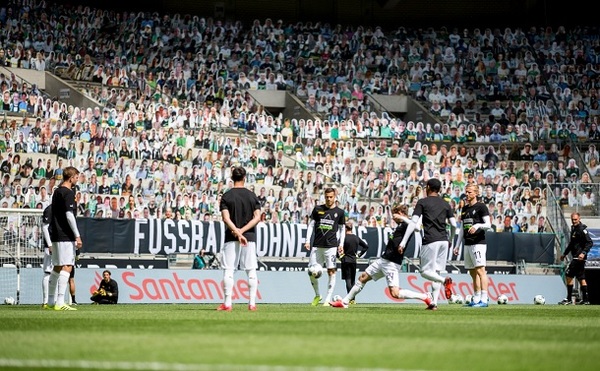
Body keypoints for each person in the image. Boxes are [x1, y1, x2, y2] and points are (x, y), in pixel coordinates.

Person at [331, 205, 434, 309]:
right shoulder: (400, 225)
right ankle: (345, 302)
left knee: (395, 293)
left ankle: (425, 296)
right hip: (384, 259)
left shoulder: (408, 224)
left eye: (395, 214)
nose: (393, 217)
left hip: (392, 262)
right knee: (363, 277)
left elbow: (416, 227)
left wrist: (402, 218)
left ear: (401, 213)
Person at [218, 166, 262, 311]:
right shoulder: (252, 196)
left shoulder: (227, 196)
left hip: (231, 236)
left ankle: (227, 303)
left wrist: (237, 232)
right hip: (249, 236)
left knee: (229, 269)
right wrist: (243, 232)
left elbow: (225, 218)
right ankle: (252, 304)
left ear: (232, 178)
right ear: (245, 178)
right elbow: (257, 218)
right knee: (251, 270)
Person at [411, 178, 457, 310]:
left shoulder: (423, 202)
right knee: (435, 272)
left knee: (424, 271)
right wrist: (451, 239)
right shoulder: (445, 204)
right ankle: (434, 303)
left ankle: (445, 281)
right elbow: (454, 224)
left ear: (428, 187)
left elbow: (414, 221)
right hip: (444, 240)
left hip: (431, 240)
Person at [47, 166, 82, 311]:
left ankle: (50, 301)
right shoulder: (68, 192)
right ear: (71, 177)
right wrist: (77, 235)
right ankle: (60, 301)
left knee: (57, 267)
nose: (77, 179)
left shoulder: (56, 192)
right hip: (65, 235)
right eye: (76, 177)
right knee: (68, 265)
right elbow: (69, 215)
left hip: (55, 234)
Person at [305, 187, 346, 306]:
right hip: (317, 246)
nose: (328, 199)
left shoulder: (340, 212)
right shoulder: (318, 209)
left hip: (331, 247)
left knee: (331, 272)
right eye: (327, 197)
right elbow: (311, 225)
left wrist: (341, 244)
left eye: (331, 197)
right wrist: (307, 240)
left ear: (335, 197)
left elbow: (342, 229)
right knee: (311, 272)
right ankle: (318, 295)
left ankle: (328, 299)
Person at [455, 184, 492, 307]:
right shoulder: (464, 209)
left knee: (481, 271)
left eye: (470, 192)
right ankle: (476, 299)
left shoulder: (481, 207)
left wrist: (477, 226)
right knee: (472, 272)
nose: (467, 194)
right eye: (466, 192)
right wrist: (457, 245)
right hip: (468, 243)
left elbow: (488, 224)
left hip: (478, 243)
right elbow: (461, 229)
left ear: (476, 193)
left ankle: (485, 299)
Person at [558, 212, 593, 305]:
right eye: (572, 219)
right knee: (581, 277)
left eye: (575, 219)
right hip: (577, 256)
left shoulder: (582, 229)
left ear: (579, 218)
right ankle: (586, 300)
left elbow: (589, 242)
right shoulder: (574, 229)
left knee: (568, 275)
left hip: (579, 257)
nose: (574, 221)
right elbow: (571, 244)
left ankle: (569, 298)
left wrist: (583, 253)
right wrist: (565, 254)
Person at [339, 221, 369, 301]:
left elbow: (336, 248)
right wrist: (358, 255)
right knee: (352, 281)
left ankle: (351, 299)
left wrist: (339, 256)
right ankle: (353, 300)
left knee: (348, 281)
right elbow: (366, 246)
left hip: (345, 260)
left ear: (345, 228)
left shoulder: (343, 238)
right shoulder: (356, 238)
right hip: (353, 260)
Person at [41, 205, 53, 309]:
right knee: (48, 271)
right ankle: (45, 301)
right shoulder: (49, 209)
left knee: (57, 272)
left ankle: (55, 301)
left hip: (59, 243)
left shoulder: (62, 208)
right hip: (50, 245)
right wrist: (49, 244)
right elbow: (45, 227)